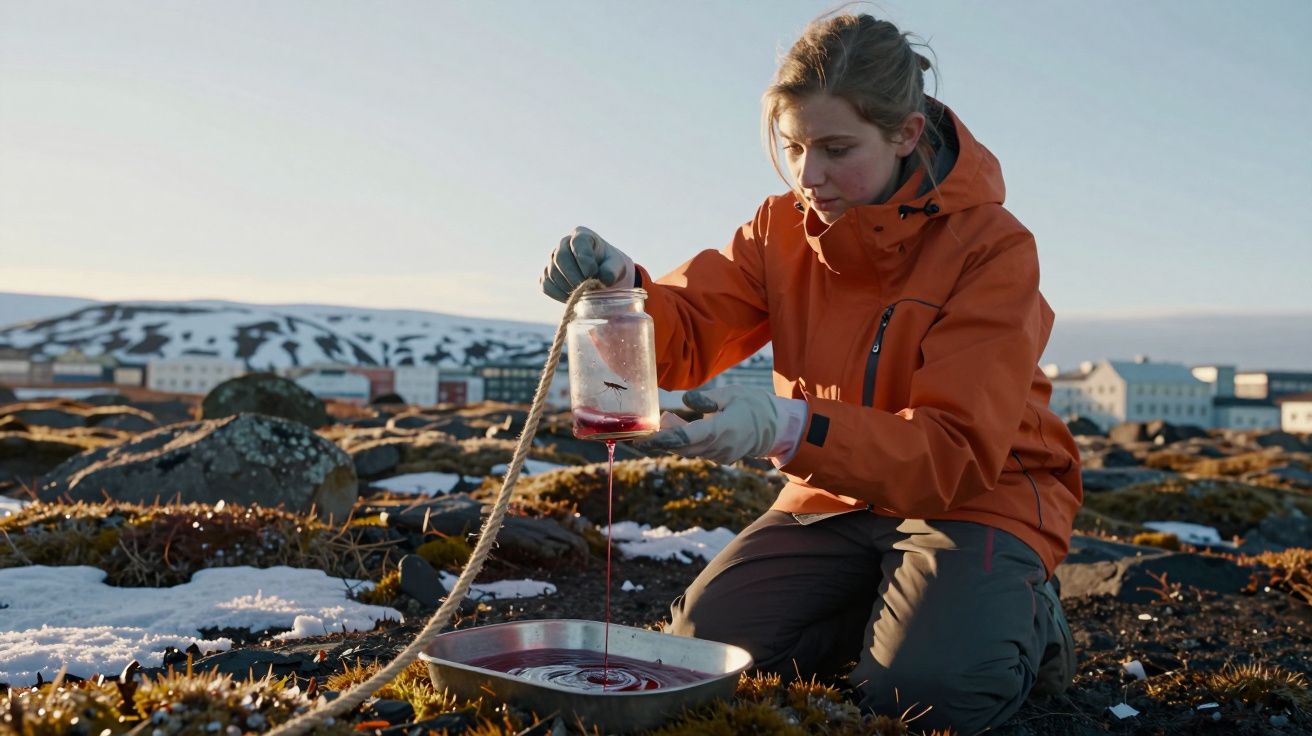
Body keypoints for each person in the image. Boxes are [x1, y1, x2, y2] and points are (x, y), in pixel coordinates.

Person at [541, 11, 1081, 733]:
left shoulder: (994, 248)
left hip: (978, 497)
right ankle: (904, 612)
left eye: (836, 149)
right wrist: (623, 295)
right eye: (793, 147)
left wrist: (787, 426)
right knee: (703, 654)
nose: (808, 176)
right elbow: (689, 334)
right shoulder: (780, 229)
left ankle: (1024, 618)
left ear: (905, 135)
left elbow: (951, 452)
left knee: (925, 697)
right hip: (833, 492)